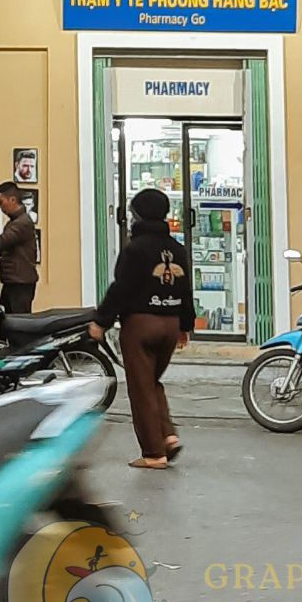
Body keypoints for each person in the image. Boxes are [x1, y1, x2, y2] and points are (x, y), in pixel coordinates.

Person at [89, 186, 194, 469]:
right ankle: (168, 435)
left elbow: (122, 288)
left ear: (136, 215)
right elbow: (186, 289)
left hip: (140, 324)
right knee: (152, 383)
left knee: (140, 388)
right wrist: (185, 325)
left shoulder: (135, 249)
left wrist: (101, 321)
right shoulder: (177, 249)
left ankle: (153, 453)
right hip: (170, 324)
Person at [0, 181, 39, 314]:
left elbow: (2, 242)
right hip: (13, 283)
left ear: (12, 200)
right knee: (5, 323)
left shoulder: (22, 223)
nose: (0, 207)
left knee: (19, 327)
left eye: (1, 202)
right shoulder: (15, 221)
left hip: (20, 285)